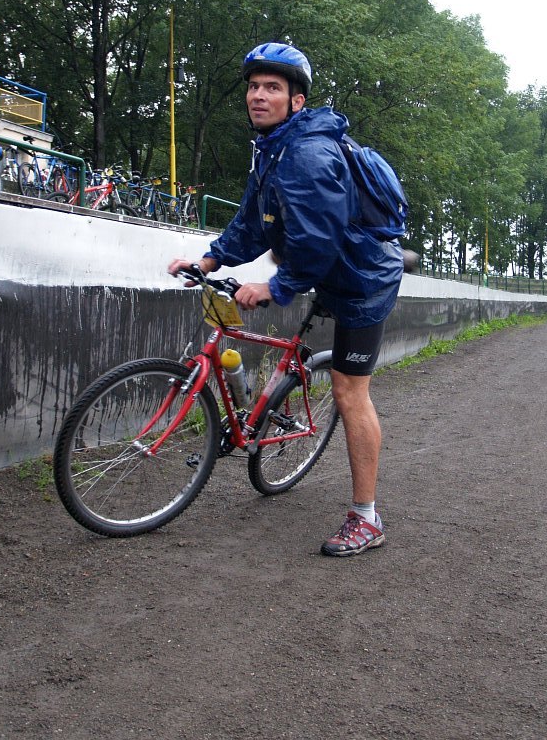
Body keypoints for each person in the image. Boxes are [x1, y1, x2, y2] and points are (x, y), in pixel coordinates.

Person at [168, 42, 404, 557]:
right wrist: (209, 261)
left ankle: (367, 517)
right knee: (282, 277)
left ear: (296, 101)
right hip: (328, 264)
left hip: (362, 280)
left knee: (349, 391)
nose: (258, 95)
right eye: (254, 86)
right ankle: (282, 393)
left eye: (272, 87)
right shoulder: (272, 149)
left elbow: (318, 240)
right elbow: (254, 222)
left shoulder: (307, 155)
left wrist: (275, 288)